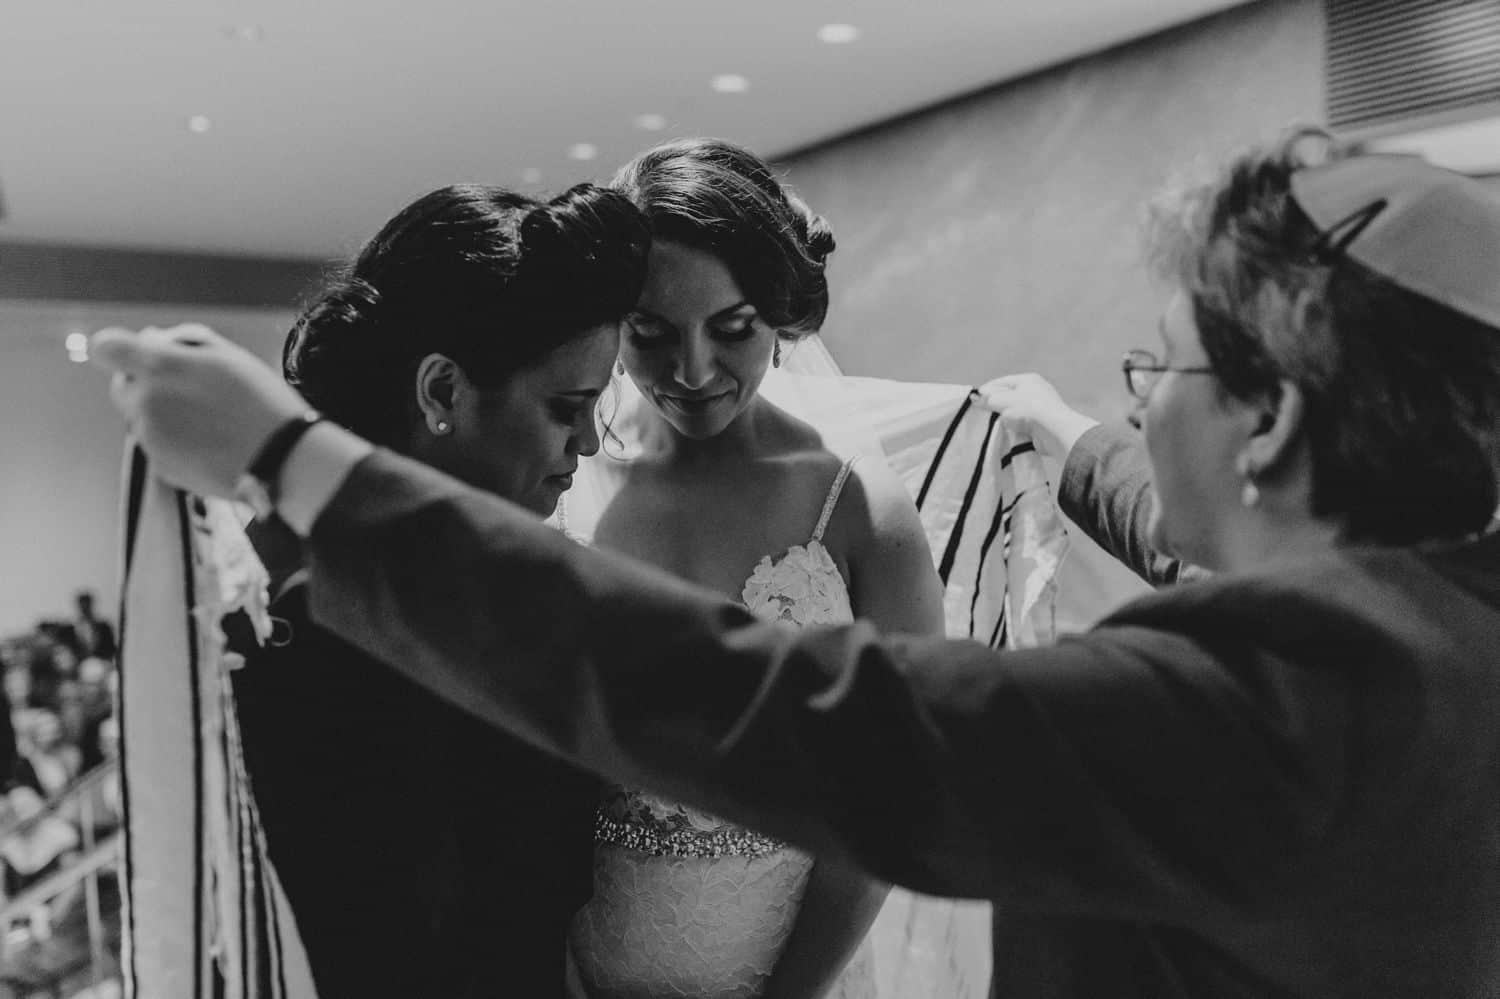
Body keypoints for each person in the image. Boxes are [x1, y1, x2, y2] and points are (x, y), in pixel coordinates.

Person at [97, 132, 1500, 997]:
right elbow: (1151, 491)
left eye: (1163, 367)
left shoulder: (1255, 704)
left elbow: (737, 695)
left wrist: (293, 461)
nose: (1141, 402)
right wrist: (1059, 435)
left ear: (1278, 419)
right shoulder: (1441, 616)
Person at [224, 182, 650, 997]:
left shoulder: (493, 589)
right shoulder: (308, 620)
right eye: (568, 406)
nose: (589, 443)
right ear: (443, 392)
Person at [562, 139, 944, 998]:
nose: (691, 371)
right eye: (649, 333)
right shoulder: (562, 491)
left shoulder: (861, 517)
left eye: (732, 329)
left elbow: (891, 803)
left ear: (779, 312)